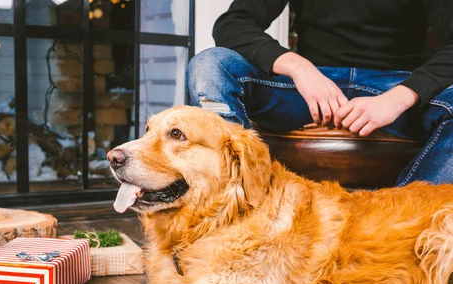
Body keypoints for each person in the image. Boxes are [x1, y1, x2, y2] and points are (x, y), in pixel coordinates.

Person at [187, 0, 453, 186]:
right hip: (310, 86)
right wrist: (299, 68)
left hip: (395, 87)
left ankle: (403, 221)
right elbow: (233, 23)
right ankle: (242, 198)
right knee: (209, 65)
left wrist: (400, 97)